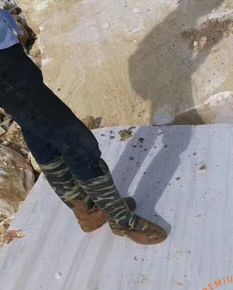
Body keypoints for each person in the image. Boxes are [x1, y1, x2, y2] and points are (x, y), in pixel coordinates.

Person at [0, 9, 166, 244]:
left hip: (6, 51)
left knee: (39, 131)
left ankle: (88, 211)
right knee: (75, 140)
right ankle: (122, 220)